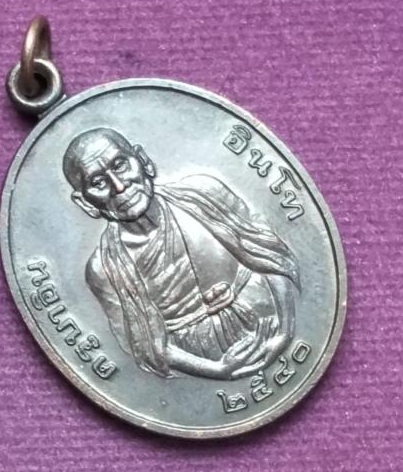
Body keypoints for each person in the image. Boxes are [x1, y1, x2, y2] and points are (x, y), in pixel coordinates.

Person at [63, 127, 299, 380]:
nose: (119, 187)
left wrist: (285, 331)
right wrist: (217, 370)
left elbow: (272, 257)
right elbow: (144, 345)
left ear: (143, 160)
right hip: (205, 360)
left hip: (269, 321)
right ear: (85, 202)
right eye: (98, 183)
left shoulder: (205, 194)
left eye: (120, 165)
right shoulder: (103, 269)